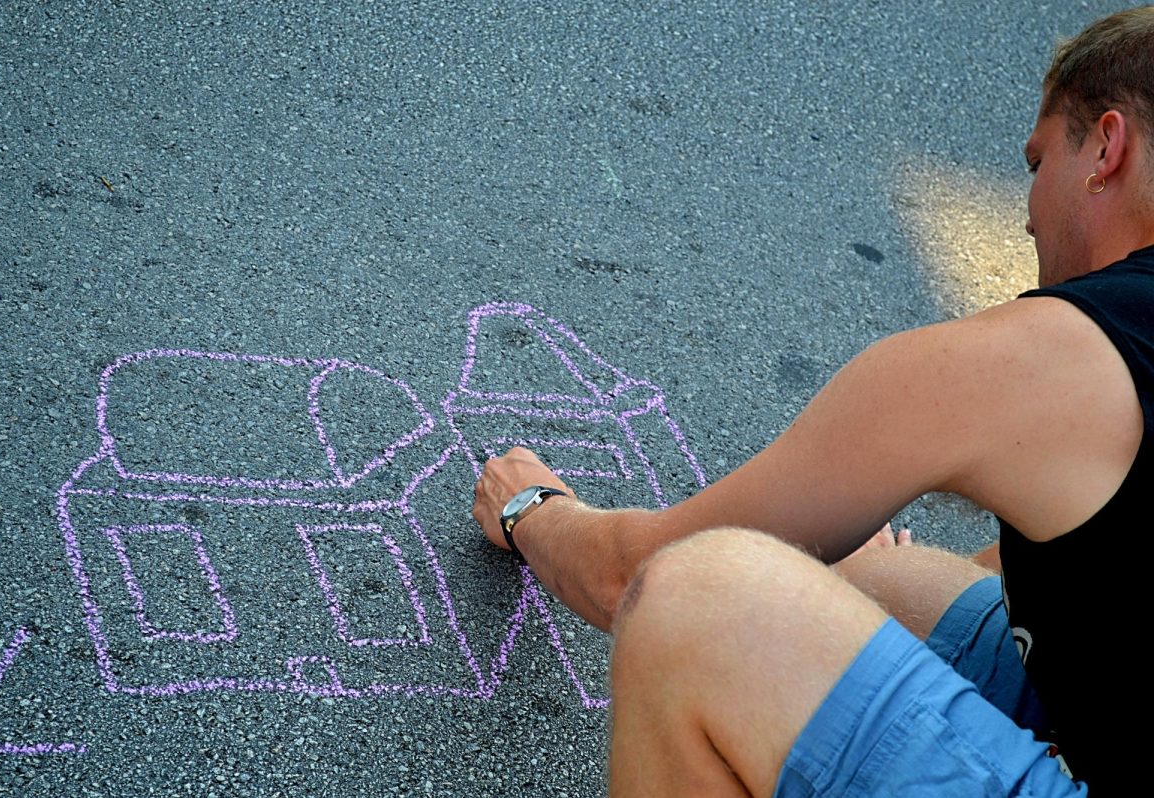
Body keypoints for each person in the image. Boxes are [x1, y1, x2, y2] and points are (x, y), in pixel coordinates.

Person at [472, 7, 1154, 796]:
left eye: (1036, 162)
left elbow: (634, 576)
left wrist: (532, 509)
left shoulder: (1054, 354)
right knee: (872, 585)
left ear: (1106, 147)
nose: (1027, 210)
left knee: (698, 603)